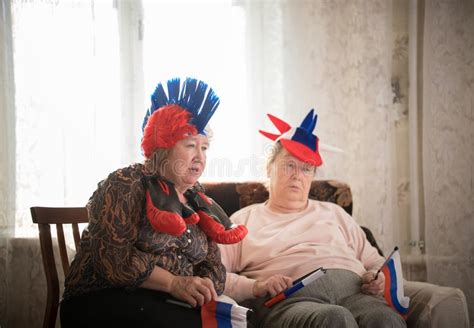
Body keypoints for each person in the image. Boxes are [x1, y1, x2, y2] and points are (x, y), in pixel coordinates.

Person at [60, 77, 247, 327]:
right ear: (162, 149)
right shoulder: (125, 183)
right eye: (190, 145)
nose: (199, 157)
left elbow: (211, 263)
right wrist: (173, 283)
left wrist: (205, 287)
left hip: (166, 301)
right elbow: (113, 261)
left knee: (236, 322)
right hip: (102, 299)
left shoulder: (197, 195)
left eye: (205, 148)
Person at [219, 109, 407, 328]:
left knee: (386, 320)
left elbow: (376, 262)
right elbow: (216, 275)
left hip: (356, 293)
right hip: (292, 301)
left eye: (306, 168)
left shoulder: (335, 212)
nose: (298, 175)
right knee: (334, 319)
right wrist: (257, 286)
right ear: (269, 168)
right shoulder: (243, 220)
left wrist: (375, 277)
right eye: (289, 165)